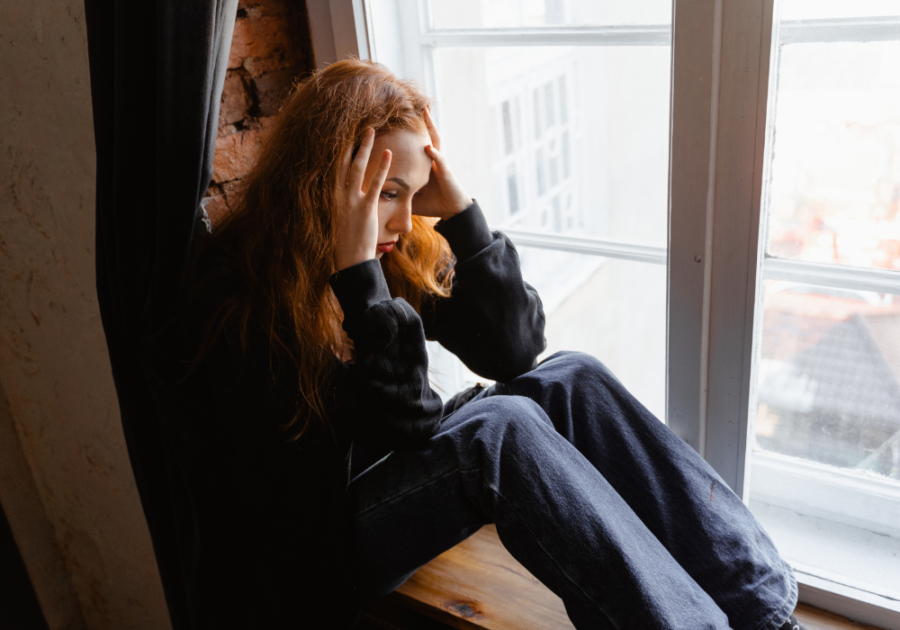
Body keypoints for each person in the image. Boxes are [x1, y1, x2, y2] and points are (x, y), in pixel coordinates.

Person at [169, 58, 805, 629]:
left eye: (415, 193)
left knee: (570, 376)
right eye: (388, 193)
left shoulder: (396, 247)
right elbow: (406, 426)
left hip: (385, 480)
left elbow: (514, 351)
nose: (401, 217)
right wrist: (358, 279)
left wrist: (463, 216)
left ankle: (764, 615)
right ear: (322, 180)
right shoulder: (239, 295)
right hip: (318, 548)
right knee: (497, 429)